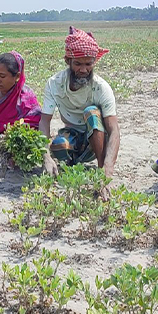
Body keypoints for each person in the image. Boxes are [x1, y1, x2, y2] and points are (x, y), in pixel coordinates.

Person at [40, 26, 120, 200]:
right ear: (68, 61)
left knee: (91, 112)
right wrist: (46, 156)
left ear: (94, 62)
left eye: (88, 64)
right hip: (73, 135)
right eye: (78, 63)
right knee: (59, 145)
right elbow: (44, 121)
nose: (83, 69)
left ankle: (99, 169)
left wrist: (108, 170)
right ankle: (71, 166)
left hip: (98, 139)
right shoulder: (54, 83)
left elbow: (114, 130)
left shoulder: (101, 87)